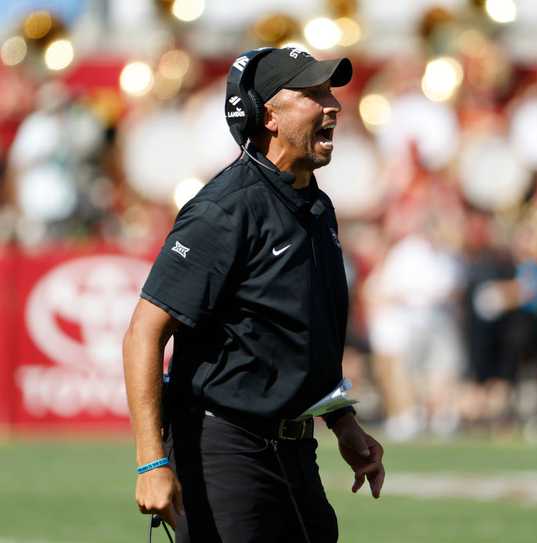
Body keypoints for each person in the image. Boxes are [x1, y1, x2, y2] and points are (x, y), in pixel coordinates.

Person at [122, 47, 385, 543]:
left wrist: (342, 421)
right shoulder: (224, 210)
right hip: (224, 449)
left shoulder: (316, 206)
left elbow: (301, 336)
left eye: (330, 92)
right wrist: (150, 461)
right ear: (269, 115)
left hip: (294, 450)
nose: (333, 105)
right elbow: (143, 333)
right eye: (313, 94)